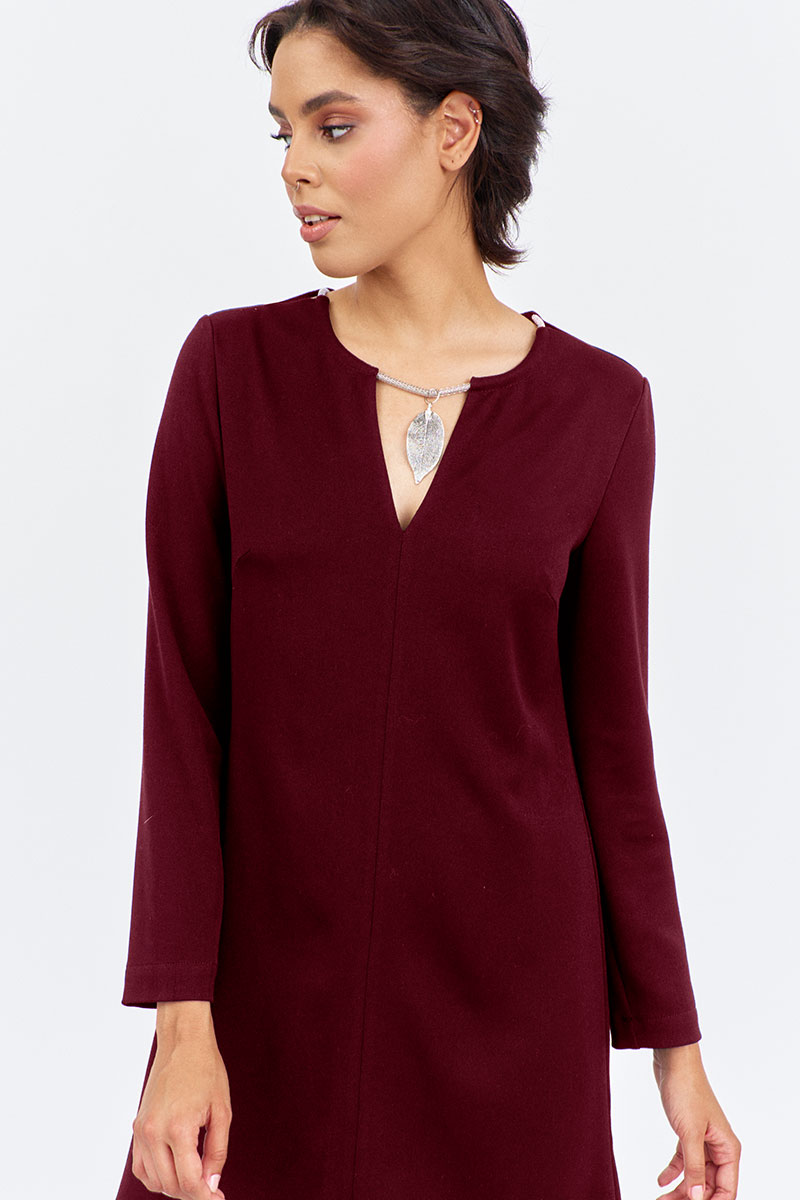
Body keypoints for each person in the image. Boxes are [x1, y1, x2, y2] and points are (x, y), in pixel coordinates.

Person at [115, 2, 742, 1198]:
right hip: (271, 999)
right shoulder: (229, 372)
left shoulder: (600, 410)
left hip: (515, 1010)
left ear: (455, 129)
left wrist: (676, 1049)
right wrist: (181, 1020)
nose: (293, 167)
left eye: (333, 125)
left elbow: (609, 748)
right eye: (283, 132)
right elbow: (183, 714)